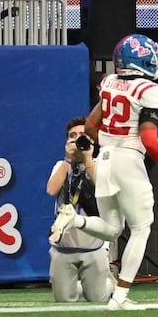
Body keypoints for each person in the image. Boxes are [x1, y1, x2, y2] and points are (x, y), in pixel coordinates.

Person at [52, 34, 158, 310]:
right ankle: (120, 297)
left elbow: (89, 126)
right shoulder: (148, 90)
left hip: (106, 158)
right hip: (128, 160)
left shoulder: (110, 83)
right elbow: (149, 138)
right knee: (141, 228)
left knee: (112, 229)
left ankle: (74, 220)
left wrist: (112, 141)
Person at [46, 117, 112, 304]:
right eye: (71, 136)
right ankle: (77, 285)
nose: (76, 139)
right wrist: (68, 160)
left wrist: (87, 159)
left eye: (82, 135)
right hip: (63, 248)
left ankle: (108, 283)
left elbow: (104, 190)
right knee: (64, 301)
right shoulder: (61, 166)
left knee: (97, 298)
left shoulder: (101, 164)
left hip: (93, 247)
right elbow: (51, 190)